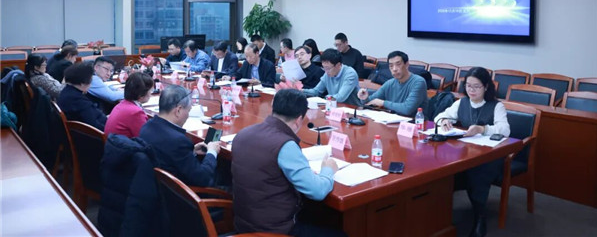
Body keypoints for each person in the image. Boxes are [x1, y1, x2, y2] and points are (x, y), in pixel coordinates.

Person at [232, 89, 341, 236]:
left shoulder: (243, 133)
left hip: (244, 225)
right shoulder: (285, 145)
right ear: (299, 119)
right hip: (275, 231)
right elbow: (318, 192)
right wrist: (328, 170)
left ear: (273, 108)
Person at [435, 67, 510, 237]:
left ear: (486, 87)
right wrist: (444, 120)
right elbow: (438, 117)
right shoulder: (461, 103)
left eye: (476, 86)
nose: (471, 90)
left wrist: (483, 129)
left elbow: (505, 130)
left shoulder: (496, 106)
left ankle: (480, 217)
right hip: (466, 153)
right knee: (445, 170)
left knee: (477, 173)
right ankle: (441, 218)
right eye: (468, 86)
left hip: (491, 156)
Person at [139, 85, 221, 187]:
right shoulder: (178, 141)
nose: (188, 115)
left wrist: (192, 152)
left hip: (153, 186)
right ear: (178, 110)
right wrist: (212, 152)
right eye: (188, 111)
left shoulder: (147, 126)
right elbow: (203, 179)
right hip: (183, 193)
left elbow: (169, 155)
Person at [357, 51, 427, 117]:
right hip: (393, 121)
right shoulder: (390, 83)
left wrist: (383, 103)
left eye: (398, 64)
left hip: (415, 123)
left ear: (406, 65)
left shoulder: (418, 82)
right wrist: (364, 98)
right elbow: (370, 101)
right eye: (391, 66)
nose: (394, 69)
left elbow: (407, 109)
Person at [57, 62, 107, 131]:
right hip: (95, 134)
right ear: (82, 83)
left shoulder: (66, 92)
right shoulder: (78, 101)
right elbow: (95, 127)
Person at [104, 72, 153, 138]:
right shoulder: (135, 113)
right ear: (141, 95)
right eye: (151, 90)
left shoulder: (122, 104)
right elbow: (146, 138)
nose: (151, 94)